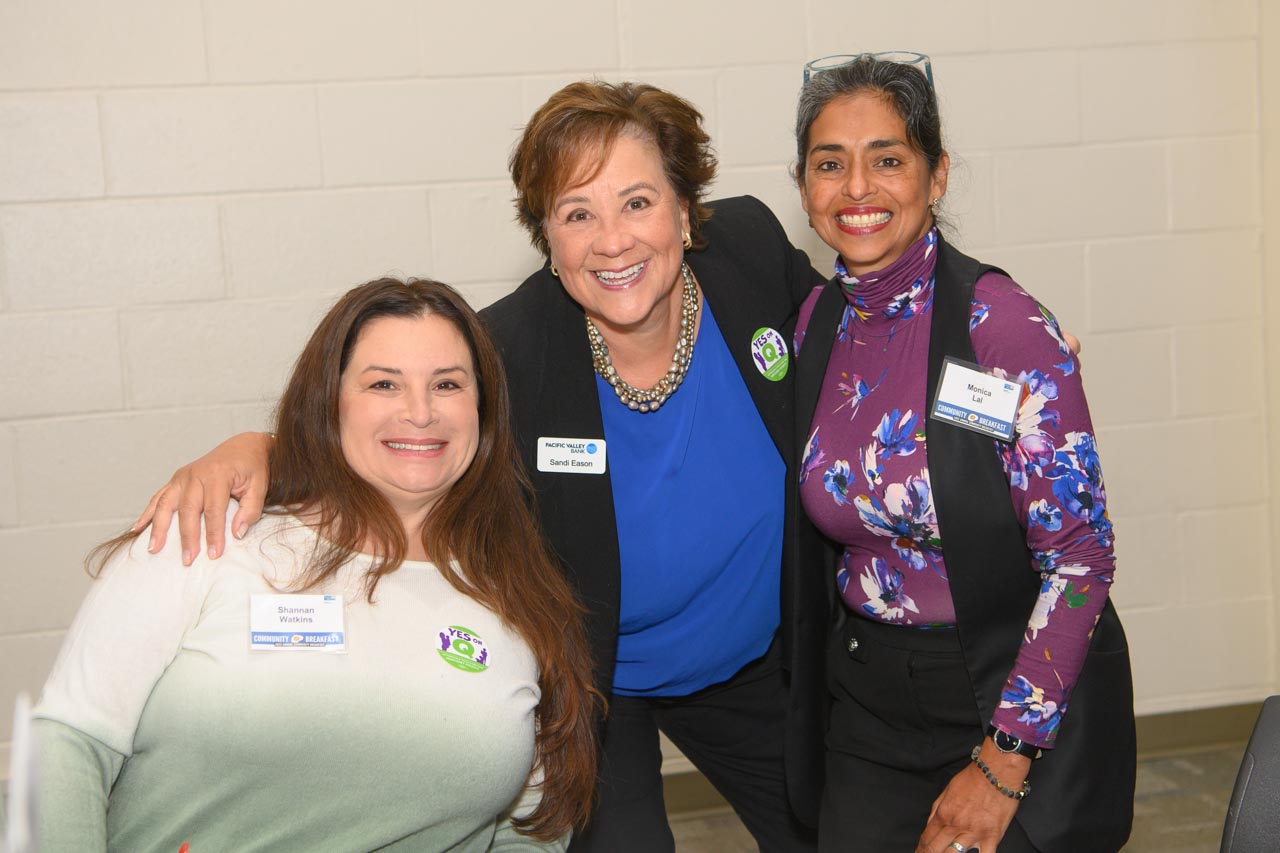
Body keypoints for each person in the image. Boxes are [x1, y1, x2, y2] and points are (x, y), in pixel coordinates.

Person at [128, 83, 830, 852]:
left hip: (757, 660)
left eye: (637, 202)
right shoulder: (509, 352)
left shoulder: (752, 254)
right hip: (593, 682)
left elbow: (863, 347)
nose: (612, 241)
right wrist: (256, 450)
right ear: (547, 238)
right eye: (576, 214)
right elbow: (394, 439)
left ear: (686, 212)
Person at [32, 278, 600, 851]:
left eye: (447, 384)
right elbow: (71, 739)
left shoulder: (519, 595)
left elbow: (532, 827)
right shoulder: (211, 534)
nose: (420, 412)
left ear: (482, 407)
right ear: (330, 402)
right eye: (384, 384)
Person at [790, 54, 1135, 852]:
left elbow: (1081, 559)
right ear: (803, 186)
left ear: (936, 174)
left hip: (1007, 696)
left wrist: (1005, 759)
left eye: (887, 159)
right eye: (829, 164)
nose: (856, 188)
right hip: (869, 707)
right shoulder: (815, 325)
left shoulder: (1004, 327)